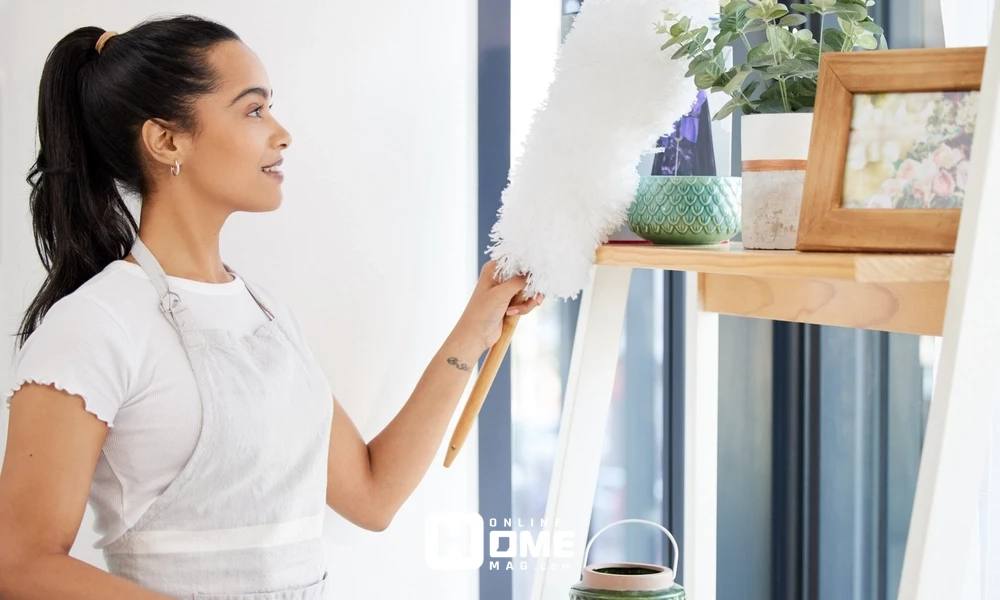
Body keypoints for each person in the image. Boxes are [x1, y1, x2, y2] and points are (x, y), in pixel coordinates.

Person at [0, 15, 542, 600]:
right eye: (253, 109)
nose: (282, 133)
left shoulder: (265, 313)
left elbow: (373, 495)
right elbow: (22, 565)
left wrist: (473, 330)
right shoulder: (95, 325)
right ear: (167, 140)